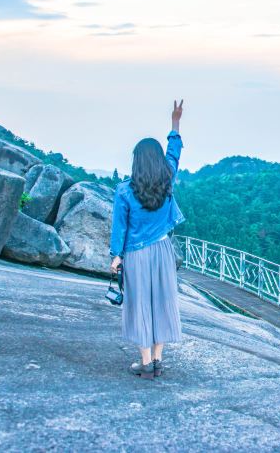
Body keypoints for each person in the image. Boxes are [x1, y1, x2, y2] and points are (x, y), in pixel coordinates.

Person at [109, 100, 186, 380]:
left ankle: (144, 363)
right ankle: (157, 359)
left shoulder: (124, 191)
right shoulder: (167, 179)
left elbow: (119, 227)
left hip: (137, 254)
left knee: (139, 303)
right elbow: (174, 153)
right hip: (163, 249)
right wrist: (175, 124)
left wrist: (116, 255)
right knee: (163, 302)